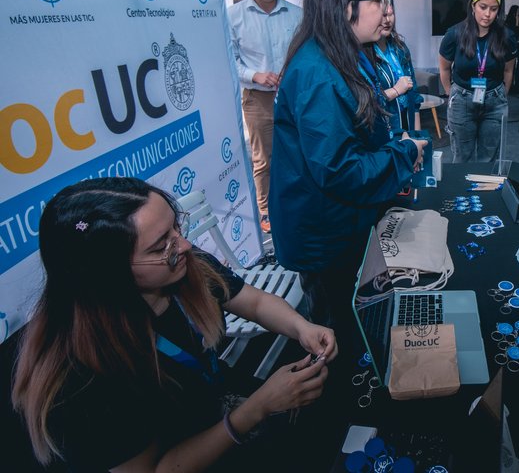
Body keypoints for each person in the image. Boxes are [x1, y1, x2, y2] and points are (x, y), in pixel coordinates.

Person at [11, 178, 337, 472]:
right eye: (160, 246)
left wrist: (300, 327)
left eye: (176, 229)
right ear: (107, 274)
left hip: (216, 404)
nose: (183, 245)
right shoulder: (80, 379)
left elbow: (252, 302)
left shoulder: (182, 265)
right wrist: (257, 408)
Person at [269, 0, 428, 327]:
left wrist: (395, 144)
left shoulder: (345, 53)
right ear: (343, 5)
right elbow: (340, 169)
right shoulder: (318, 73)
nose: (386, 8)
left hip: (341, 223)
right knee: (337, 329)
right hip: (325, 236)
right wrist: (404, 153)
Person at [228, 0, 302, 235]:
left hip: (294, 96)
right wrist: (254, 75)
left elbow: (305, 54)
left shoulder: (297, 15)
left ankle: (296, 203)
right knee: (264, 159)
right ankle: (267, 210)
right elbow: (228, 60)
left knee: (297, 152)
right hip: (257, 98)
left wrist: (292, 73)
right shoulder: (233, 17)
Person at [439, 0, 517, 163]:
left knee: (489, 158)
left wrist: (501, 95)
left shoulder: (507, 36)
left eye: (493, 9)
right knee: (462, 157)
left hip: (494, 101)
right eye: (483, 7)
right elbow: (444, 68)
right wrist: (452, 93)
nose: (488, 14)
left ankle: (484, 184)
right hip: (462, 100)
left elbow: (508, 70)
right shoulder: (454, 34)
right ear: (473, 6)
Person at [374, 6, 423, 132]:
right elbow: (368, 100)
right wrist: (396, 90)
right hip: (384, 128)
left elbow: (414, 94)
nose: (387, 20)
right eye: (383, 15)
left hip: (407, 119)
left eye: (390, 14)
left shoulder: (400, 48)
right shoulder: (363, 55)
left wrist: (417, 134)